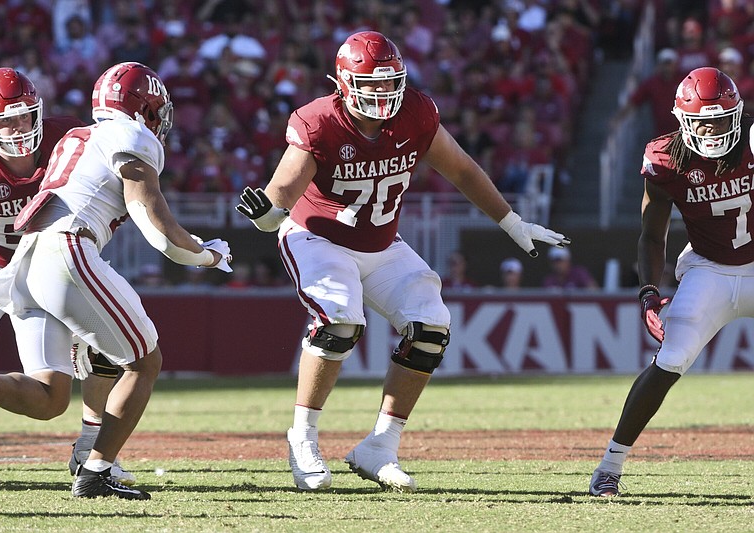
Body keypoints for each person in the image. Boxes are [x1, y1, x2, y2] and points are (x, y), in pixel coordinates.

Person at [235, 31, 570, 492]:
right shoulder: (319, 121)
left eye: (388, 83)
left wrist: (513, 223)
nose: (381, 94)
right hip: (318, 237)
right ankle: (303, 438)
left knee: (432, 325)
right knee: (340, 322)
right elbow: (281, 196)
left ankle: (380, 446)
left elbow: (462, 169)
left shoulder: (416, 111)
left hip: (382, 243)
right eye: (370, 85)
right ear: (343, 83)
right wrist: (266, 215)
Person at [0, 62, 232, 499]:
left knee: (53, 396)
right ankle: (96, 469)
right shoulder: (131, 135)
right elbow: (156, 227)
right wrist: (207, 254)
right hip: (62, 251)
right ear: (145, 108)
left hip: (27, 262)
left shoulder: (74, 136)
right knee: (145, 361)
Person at [0, 67, 135, 485]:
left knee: (52, 398)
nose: (17, 128)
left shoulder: (69, 139)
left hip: (41, 272)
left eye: (23, 116)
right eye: (4, 120)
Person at [589, 67, 753, 497]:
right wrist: (648, 292)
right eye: (705, 122)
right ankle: (609, 467)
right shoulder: (666, 159)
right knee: (671, 358)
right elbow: (652, 233)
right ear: (683, 121)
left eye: (722, 120)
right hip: (709, 269)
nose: (715, 132)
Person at [611, 48, 683, 137]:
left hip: (683, 132)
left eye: (669, 63)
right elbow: (634, 101)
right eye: (664, 64)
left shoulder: (684, 81)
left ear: (675, 64)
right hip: (662, 135)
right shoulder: (652, 83)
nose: (667, 67)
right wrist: (618, 118)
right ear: (659, 65)